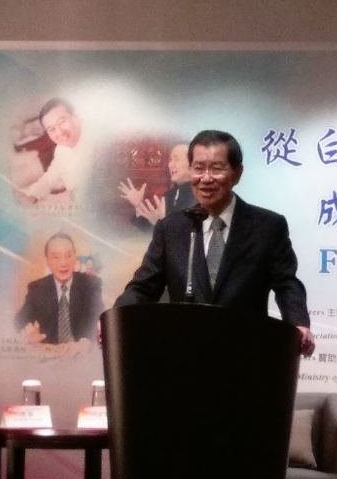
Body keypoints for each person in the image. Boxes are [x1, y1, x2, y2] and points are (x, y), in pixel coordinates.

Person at [114, 130, 315, 356]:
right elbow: (143, 286)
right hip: (185, 356)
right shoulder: (171, 228)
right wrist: (115, 318)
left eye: (217, 168)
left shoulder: (267, 227)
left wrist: (299, 323)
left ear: (237, 173)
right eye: (199, 168)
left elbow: (286, 284)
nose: (206, 178)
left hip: (246, 357)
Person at [15, 232, 105, 345]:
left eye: (68, 256)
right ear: (47, 261)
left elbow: (98, 315)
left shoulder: (91, 284)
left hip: (82, 352)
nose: (63, 263)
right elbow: (20, 320)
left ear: (75, 258)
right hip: (50, 352)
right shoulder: (37, 288)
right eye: (56, 257)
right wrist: (28, 333)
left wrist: (86, 342)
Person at [16, 98, 93, 205]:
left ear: (75, 117)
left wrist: (71, 195)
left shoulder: (99, 142)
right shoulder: (61, 149)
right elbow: (51, 177)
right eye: (52, 129)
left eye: (62, 122)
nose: (60, 132)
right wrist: (32, 194)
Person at [118, 142, 196, 227]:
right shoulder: (170, 195)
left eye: (176, 159)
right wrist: (138, 205)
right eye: (170, 159)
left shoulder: (199, 197)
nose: (170, 165)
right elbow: (148, 228)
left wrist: (161, 224)